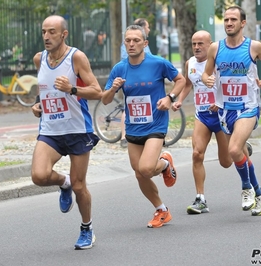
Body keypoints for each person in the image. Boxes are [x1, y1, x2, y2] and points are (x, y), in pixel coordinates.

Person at [102, 24, 185, 228]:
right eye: (128, 40)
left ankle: (164, 163)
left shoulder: (158, 63)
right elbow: (104, 100)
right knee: (139, 173)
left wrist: (170, 97)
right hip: (133, 126)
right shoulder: (119, 68)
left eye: (136, 40)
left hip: (156, 122)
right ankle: (162, 210)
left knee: (147, 168)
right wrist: (112, 89)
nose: (131, 44)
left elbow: (180, 80)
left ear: (145, 43)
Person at [31, 15, 102, 249]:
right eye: (43, 32)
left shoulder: (76, 57)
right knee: (39, 176)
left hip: (77, 129)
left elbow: (97, 91)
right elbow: (44, 87)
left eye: (52, 32)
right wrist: (37, 104)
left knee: (80, 185)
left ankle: (86, 228)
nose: (46, 36)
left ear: (64, 34)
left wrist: (72, 88)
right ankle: (64, 183)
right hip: (50, 130)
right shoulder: (39, 59)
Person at [202, 6, 261, 216]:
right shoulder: (215, 48)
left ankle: (246, 188)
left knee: (234, 150)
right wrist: (207, 80)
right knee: (240, 154)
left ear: (242, 23)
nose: (229, 23)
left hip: (248, 107)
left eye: (233, 20)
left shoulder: (254, 47)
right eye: (226, 20)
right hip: (226, 110)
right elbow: (207, 75)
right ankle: (259, 192)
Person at [172, 30, 252, 214]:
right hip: (203, 116)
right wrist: (179, 99)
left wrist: (220, 101)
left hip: (222, 115)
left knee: (226, 162)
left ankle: (241, 145)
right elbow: (188, 84)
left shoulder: (219, 63)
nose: (197, 47)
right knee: (197, 154)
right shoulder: (190, 63)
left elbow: (232, 82)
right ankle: (200, 199)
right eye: (194, 44)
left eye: (201, 43)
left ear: (211, 45)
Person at [119, 18, 153, 148]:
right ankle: (124, 136)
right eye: (148, 27)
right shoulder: (131, 45)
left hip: (144, 79)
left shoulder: (143, 44)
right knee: (128, 106)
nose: (131, 44)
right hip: (130, 79)